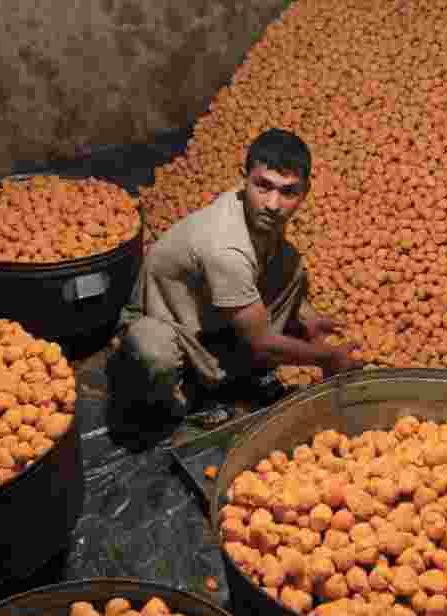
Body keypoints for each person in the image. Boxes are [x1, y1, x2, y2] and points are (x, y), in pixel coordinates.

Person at [109, 128, 363, 443]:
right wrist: (327, 357)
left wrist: (308, 317)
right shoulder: (226, 246)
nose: (273, 204)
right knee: (153, 350)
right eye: (263, 186)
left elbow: (277, 271)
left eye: (288, 192)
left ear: (305, 192)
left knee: (291, 265)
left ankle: (231, 371)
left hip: (206, 318)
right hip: (163, 325)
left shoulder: (254, 213)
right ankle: (178, 408)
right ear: (244, 178)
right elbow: (263, 342)